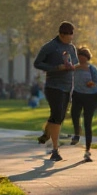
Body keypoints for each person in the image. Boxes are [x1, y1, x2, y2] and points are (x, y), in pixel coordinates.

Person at [34, 21, 78, 161]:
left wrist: (73, 67)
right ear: (61, 34)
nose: (70, 39)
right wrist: (56, 68)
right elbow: (37, 63)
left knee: (58, 116)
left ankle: (46, 134)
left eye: (72, 36)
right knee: (57, 116)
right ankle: (55, 150)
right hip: (53, 86)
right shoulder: (50, 47)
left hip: (67, 86)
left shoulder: (71, 48)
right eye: (67, 37)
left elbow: (76, 62)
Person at [69, 46, 97, 161]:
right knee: (74, 115)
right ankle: (77, 134)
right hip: (78, 95)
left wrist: (90, 83)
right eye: (79, 56)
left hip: (90, 97)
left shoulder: (92, 68)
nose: (80, 58)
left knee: (87, 123)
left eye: (82, 56)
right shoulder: (76, 68)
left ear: (87, 57)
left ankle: (87, 151)